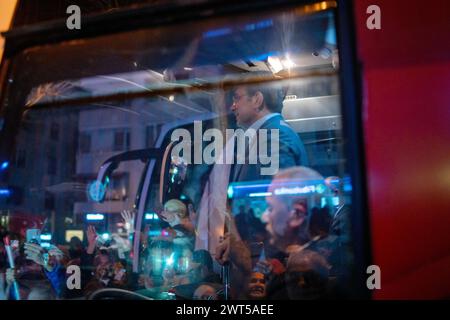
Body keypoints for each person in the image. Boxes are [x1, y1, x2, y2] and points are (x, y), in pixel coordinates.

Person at [196, 73, 308, 257]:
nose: (233, 106)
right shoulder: (266, 135)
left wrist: (244, 245)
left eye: (237, 98)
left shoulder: (273, 136)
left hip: (268, 267)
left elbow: (280, 207)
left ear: (257, 99)